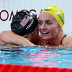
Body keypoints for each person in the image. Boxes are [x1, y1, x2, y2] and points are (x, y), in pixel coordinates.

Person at [0, 5, 72, 47]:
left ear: (60, 25)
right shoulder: (38, 39)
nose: (43, 27)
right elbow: (3, 34)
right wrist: (26, 43)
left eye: (48, 23)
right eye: (40, 23)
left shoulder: (68, 41)